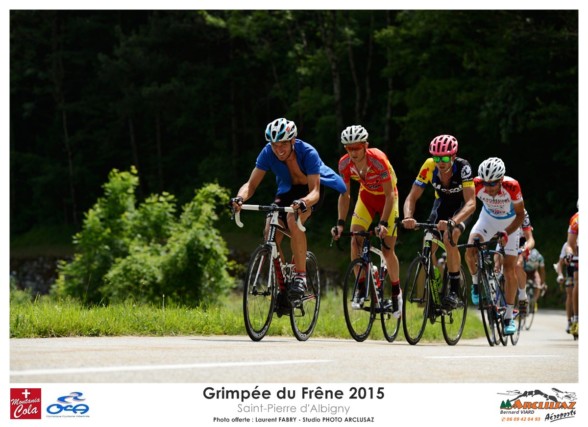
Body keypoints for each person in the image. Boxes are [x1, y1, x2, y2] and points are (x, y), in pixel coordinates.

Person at [231, 117, 346, 304]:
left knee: (293, 219)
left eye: (283, 144)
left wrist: (303, 202)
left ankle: (300, 277)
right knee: (269, 229)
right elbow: (251, 185)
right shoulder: (267, 153)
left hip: (308, 192)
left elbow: (315, 191)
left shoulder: (308, 152)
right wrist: (240, 199)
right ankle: (282, 285)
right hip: (287, 190)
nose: (279, 149)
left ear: (293, 141)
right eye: (275, 145)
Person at [330, 125, 402, 318]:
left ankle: (396, 292)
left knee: (387, 249)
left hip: (388, 199)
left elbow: (389, 195)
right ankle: (361, 288)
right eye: (348, 148)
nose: (353, 152)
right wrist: (340, 223)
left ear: (365, 145)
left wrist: (384, 223)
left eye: (357, 147)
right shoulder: (344, 164)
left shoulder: (378, 160)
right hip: (367, 198)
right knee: (355, 239)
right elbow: (345, 196)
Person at [402, 134, 476, 309]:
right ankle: (433, 284)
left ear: (453, 155)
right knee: (427, 243)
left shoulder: (463, 167)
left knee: (450, 238)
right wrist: (407, 216)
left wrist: (453, 222)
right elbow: (412, 197)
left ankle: (454, 292)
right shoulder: (429, 166)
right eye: (436, 157)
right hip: (441, 206)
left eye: (444, 158)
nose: (440, 162)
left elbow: (471, 202)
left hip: (461, 208)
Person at [465, 157, 526, 336]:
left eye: (493, 184)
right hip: (488, 219)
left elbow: (520, 215)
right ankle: (475, 284)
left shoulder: (512, 186)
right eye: (485, 183)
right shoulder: (475, 184)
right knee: (470, 248)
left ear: (501, 180)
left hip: (511, 224)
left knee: (509, 269)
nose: (489, 188)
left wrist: (506, 232)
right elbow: (467, 205)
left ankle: (508, 316)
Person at [555, 241, 575, 333]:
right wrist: (560, 275)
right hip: (571, 271)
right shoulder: (567, 245)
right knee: (570, 293)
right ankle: (569, 321)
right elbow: (560, 263)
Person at [565, 206, 579, 336]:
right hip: (579, 252)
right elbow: (570, 243)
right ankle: (576, 318)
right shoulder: (576, 219)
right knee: (577, 281)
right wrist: (570, 254)